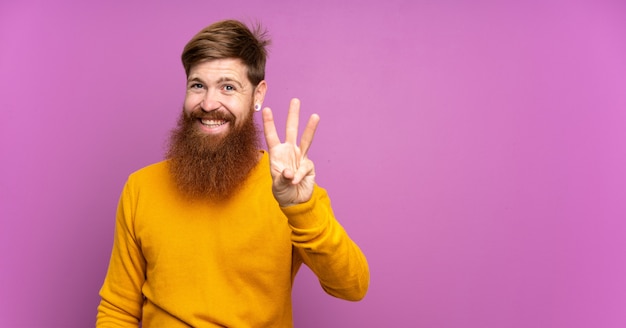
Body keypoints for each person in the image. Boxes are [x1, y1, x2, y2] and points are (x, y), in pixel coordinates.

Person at [96, 19, 369, 327]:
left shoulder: (289, 189)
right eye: (198, 85)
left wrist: (300, 209)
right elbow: (118, 310)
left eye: (228, 87)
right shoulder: (141, 187)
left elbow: (352, 287)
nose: (209, 103)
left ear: (257, 95)